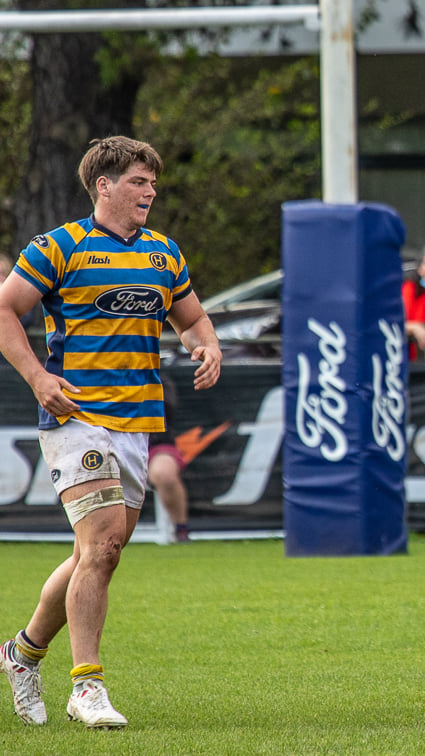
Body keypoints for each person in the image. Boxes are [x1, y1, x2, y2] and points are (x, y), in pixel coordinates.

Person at [0, 136, 222, 729]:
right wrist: (37, 376)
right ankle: (86, 686)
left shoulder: (162, 253)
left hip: (137, 424)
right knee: (99, 547)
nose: (150, 191)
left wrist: (208, 346)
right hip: (77, 417)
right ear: (104, 185)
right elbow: (5, 309)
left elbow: (193, 317)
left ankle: (21, 654)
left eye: (152, 182)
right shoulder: (60, 247)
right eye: (138, 182)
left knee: (99, 553)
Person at [148, 376, 192, 543]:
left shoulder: (160, 379)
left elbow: (166, 410)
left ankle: (181, 529)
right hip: (109, 443)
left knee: (164, 473)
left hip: (154, 442)